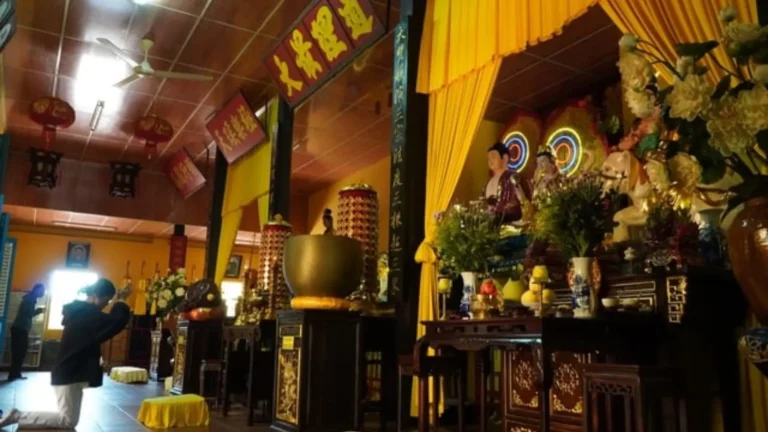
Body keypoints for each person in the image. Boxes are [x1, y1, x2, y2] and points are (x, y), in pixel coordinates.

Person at [0, 279, 131, 430]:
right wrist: (121, 301)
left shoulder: (81, 312)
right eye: (107, 300)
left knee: (68, 420)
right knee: (67, 421)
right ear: (96, 295)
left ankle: (19, 417)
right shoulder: (86, 315)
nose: (106, 304)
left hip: (70, 372)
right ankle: (17, 416)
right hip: (69, 374)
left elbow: (110, 322)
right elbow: (116, 321)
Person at [484, 143, 531, 223]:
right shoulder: (488, 181)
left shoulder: (513, 177)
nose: (490, 161)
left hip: (510, 225)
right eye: (488, 159)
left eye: (493, 157)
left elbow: (519, 203)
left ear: (505, 158)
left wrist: (498, 213)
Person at [8, 284, 46, 381]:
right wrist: (39, 311)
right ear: (36, 290)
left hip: (20, 328)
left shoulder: (30, 298)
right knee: (20, 352)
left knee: (19, 352)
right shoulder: (30, 299)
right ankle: (14, 374)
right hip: (20, 328)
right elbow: (28, 313)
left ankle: (15, 374)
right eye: (42, 290)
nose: (43, 292)